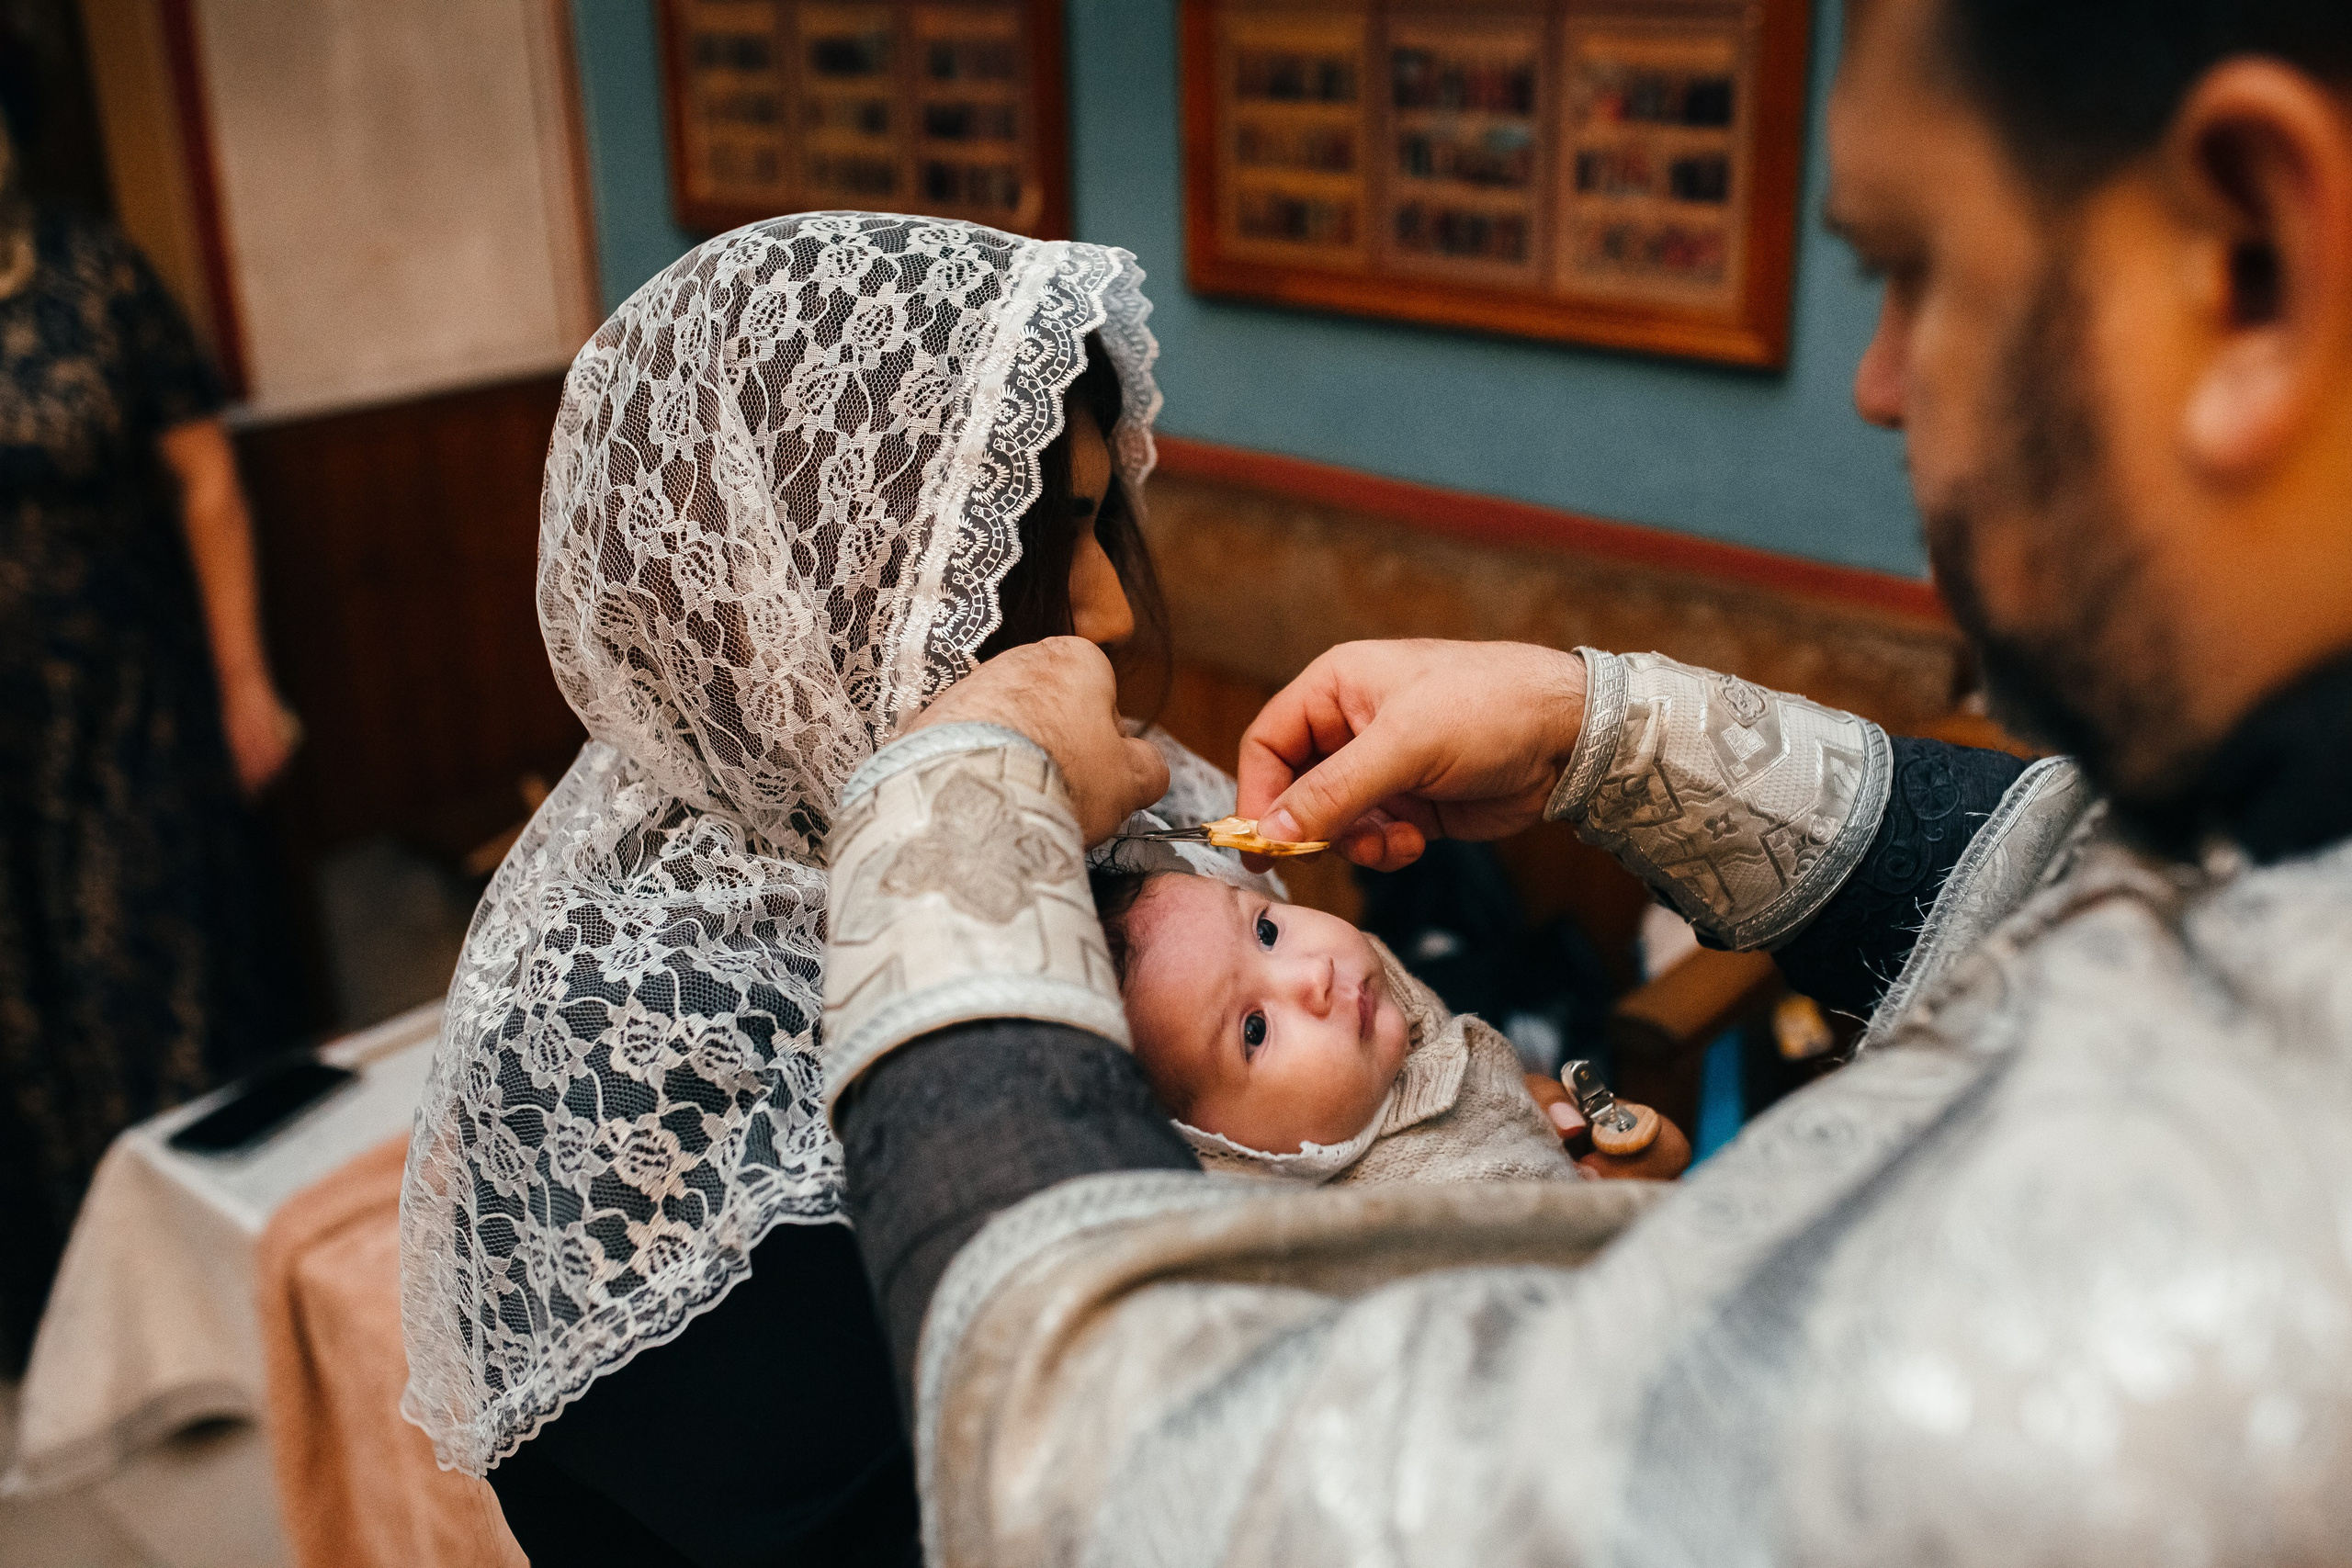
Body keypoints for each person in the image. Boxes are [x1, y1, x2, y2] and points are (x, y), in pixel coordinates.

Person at [814, 1, 2352, 1562]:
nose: (1877, 382)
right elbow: (2045, 862)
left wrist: (955, 785)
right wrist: (1592, 728)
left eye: (1912, 268)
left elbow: (1119, 1487)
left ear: (2253, 257)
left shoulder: (2186, 1263)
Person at [398, 212, 1243, 1567]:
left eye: (1103, 525)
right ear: (824, 602)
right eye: (1055, 536)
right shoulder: (611, 1056)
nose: (1113, 613)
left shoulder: (1090, 809)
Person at [0, 84, 297, 1369]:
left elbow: (209, 479)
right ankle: (70, 1317)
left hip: (121, 696)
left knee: (150, 976)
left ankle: (196, 1316)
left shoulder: (97, 274)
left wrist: (244, 680)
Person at [1091, 860, 1689, 1181]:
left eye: (1265, 930)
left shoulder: (1394, 1042)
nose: (1314, 975)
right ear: (1221, 1152)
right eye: (1254, 1029)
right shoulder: (1380, 1228)